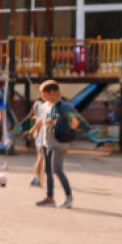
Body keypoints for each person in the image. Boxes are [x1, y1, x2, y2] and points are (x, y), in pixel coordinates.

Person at [33, 80, 78, 209]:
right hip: (48, 143)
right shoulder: (47, 105)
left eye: (45, 94)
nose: (43, 96)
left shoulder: (63, 106)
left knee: (57, 170)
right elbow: (48, 120)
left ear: (53, 92)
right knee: (48, 171)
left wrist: (65, 130)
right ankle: (49, 198)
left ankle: (69, 197)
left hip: (59, 143)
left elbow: (74, 121)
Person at [23, 96, 47, 188]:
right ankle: (38, 177)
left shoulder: (37, 104)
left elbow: (31, 116)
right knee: (42, 157)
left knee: (41, 157)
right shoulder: (47, 106)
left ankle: (38, 177)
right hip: (44, 134)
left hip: (39, 134)